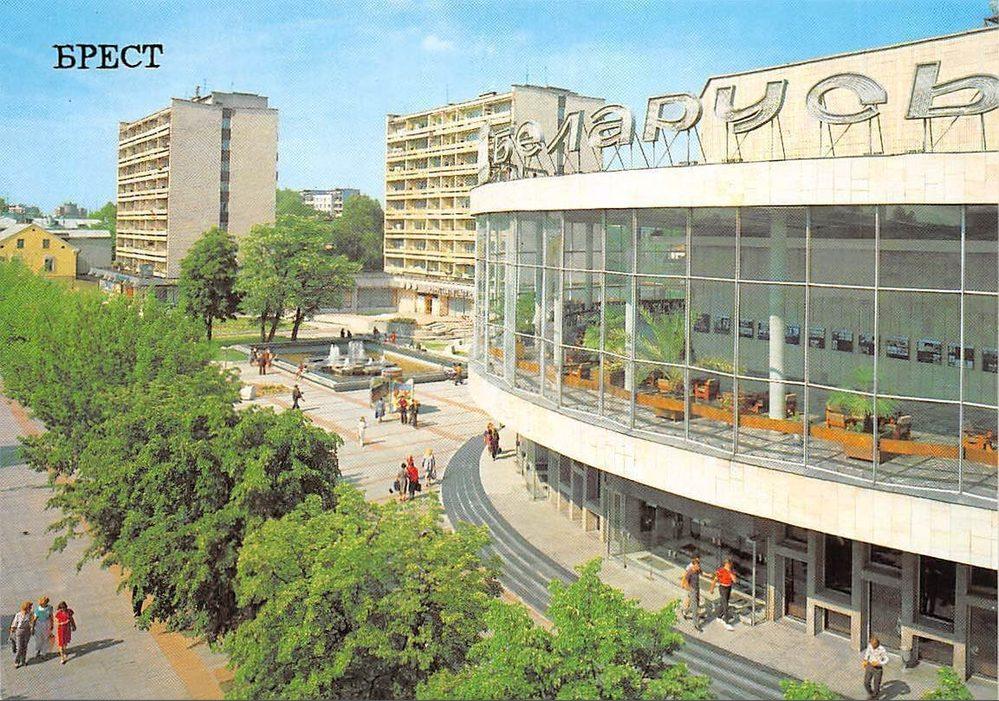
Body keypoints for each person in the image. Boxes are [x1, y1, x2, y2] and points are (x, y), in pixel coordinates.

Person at [709, 558, 737, 631]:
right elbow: (715, 580)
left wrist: (730, 572)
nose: (730, 565)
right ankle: (726, 622)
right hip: (723, 588)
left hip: (729, 587)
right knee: (725, 605)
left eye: (730, 564)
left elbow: (735, 580)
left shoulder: (731, 571)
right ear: (726, 564)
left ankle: (719, 616)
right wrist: (711, 588)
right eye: (729, 564)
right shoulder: (720, 571)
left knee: (724, 602)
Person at [680, 556, 703, 631]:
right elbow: (685, 580)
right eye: (697, 565)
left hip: (697, 589)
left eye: (699, 565)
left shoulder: (698, 570)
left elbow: (702, 573)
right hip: (692, 589)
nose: (699, 567)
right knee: (695, 607)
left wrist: (709, 575)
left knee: (697, 603)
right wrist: (688, 588)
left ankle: (685, 611)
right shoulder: (690, 572)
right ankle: (696, 624)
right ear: (694, 565)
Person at [10, 601, 33, 668]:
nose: (31, 608)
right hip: (19, 631)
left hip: (27, 631)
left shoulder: (30, 614)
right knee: (19, 648)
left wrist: (32, 628)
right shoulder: (18, 615)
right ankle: (16, 661)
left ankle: (23, 660)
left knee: (25, 647)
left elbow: (32, 622)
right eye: (30, 607)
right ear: (26, 608)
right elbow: (14, 624)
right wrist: (11, 632)